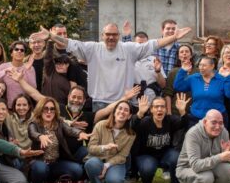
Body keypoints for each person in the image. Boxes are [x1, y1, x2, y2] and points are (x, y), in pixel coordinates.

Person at [30, 22, 191, 111]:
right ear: (102, 35)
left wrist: (174, 37)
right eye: (108, 34)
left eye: (114, 35)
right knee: (101, 137)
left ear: (118, 36)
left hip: (123, 102)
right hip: (99, 102)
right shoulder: (92, 48)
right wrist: (50, 36)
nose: (111, 37)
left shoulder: (129, 49)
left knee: (122, 139)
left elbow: (154, 44)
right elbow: (69, 43)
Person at [27, 97, 91, 183]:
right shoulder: (34, 124)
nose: (49, 112)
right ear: (40, 110)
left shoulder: (59, 123)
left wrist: (80, 133)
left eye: (52, 109)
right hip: (40, 161)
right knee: (40, 168)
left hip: (55, 163)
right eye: (45, 108)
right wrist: (40, 136)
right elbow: (32, 133)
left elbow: (70, 130)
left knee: (77, 170)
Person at [176, 110, 230, 183]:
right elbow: (196, 166)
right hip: (187, 168)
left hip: (208, 167)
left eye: (220, 123)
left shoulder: (224, 132)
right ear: (205, 122)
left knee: (228, 170)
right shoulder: (193, 134)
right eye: (214, 122)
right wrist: (220, 156)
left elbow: (222, 160)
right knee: (206, 177)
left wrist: (227, 154)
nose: (218, 127)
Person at [131, 94, 189, 183]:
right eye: (156, 106)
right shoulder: (145, 122)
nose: (159, 109)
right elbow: (133, 125)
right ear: (151, 109)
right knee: (148, 167)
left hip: (165, 154)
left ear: (166, 109)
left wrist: (182, 111)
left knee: (175, 157)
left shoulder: (170, 120)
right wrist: (140, 113)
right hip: (146, 155)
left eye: (162, 106)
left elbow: (184, 124)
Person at [84, 101, 137, 183]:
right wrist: (104, 147)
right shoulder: (100, 125)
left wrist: (107, 165)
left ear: (129, 116)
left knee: (115, 181)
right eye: (120, 108)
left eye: (126, 110)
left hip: (114, 162)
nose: (122, 112)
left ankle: (109, 182)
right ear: (114, 112)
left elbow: (123, 155)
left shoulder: (131, 134)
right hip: (97, 159)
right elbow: (90, 148)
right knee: (90, 164)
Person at [172, 56, 230, 126]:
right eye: (200, 65)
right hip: (196, 118)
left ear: (212, 66)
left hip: (217, 119)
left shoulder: (221, 78)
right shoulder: (194, 78)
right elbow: (178, 87)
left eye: (204, 65)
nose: (201, 67)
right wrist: (183, 71)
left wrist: (228, 78)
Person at [131, 31, 166, 100]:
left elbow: (163, 85)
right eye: (139, 43)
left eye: (144, 44)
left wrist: (158, 71)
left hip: (152, 101)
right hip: (133, 101)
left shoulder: (155, 60)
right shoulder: (129, 60)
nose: (142, 47)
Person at [163, 44, 197, 115]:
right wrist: (169, 112)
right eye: (181, 52)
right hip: (176, 111)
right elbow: (168, 93)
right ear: (178, 56)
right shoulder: (173, 72)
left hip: (193, 111)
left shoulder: (198, 71)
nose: (184, 53)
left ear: (191, 55)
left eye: (187, 51)